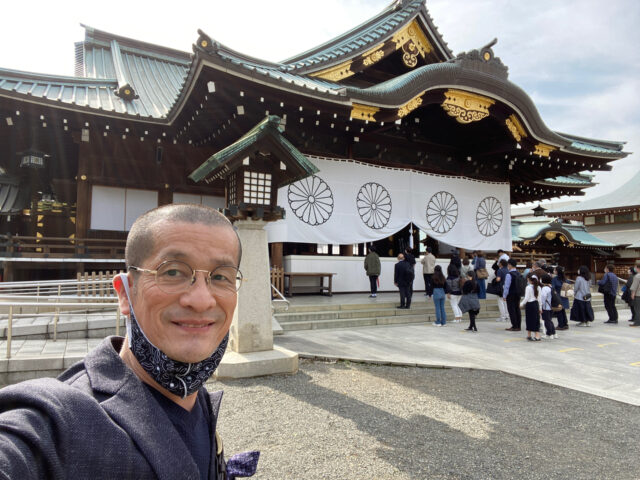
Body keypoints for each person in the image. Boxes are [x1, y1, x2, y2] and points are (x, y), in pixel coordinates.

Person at [0, 204, 259, 478]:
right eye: (172, 272)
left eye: (220, 277)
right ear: (125, 293)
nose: (201, 300)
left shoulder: (199, 402)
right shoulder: (62, 420)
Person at [503, 259, 523, 331]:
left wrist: (504, 295)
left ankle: (514, 326)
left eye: (508, 264)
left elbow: (506, 286)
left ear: (510, 265)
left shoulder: (509, 274)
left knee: (511, 310)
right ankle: (518, 325)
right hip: (518, 294)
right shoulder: (519, 273)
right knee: (517, 309)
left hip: (511, 294)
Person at [520, 274, 541, 341]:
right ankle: (536, 335)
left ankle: (529, 335)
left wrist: (521, 304)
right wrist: (540, 307)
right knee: (536, 319)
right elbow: (540, 299)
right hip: (536, 304)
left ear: (529, 280)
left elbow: (526, 298)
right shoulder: (538, 287)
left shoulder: (528, 287)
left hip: (529, 305)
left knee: (529, 320)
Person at [552, 266, 570, 330]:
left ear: (557, 271)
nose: (554, 271)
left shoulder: (555, 279)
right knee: (563, 311)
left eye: (555, 270)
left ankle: (561, 325)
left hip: (558, 297)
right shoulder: (565, 279)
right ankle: (565, 324)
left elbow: (553, 287)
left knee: (559, 311)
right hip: (564, 296)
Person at [539, 274, 557, 339]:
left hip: (546, 307)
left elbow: (543, 298)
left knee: (547, 321)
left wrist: (540, 306)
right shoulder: (551, 287)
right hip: (551, 306)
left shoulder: (544, 288)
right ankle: (554, 332)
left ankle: (549, 333)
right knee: (550, 320)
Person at [629, 260, 640, 327]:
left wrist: (633, 294)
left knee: (637, 309)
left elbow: (634, 286)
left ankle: (637, 322)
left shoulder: (637, 276)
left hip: (638, 295)